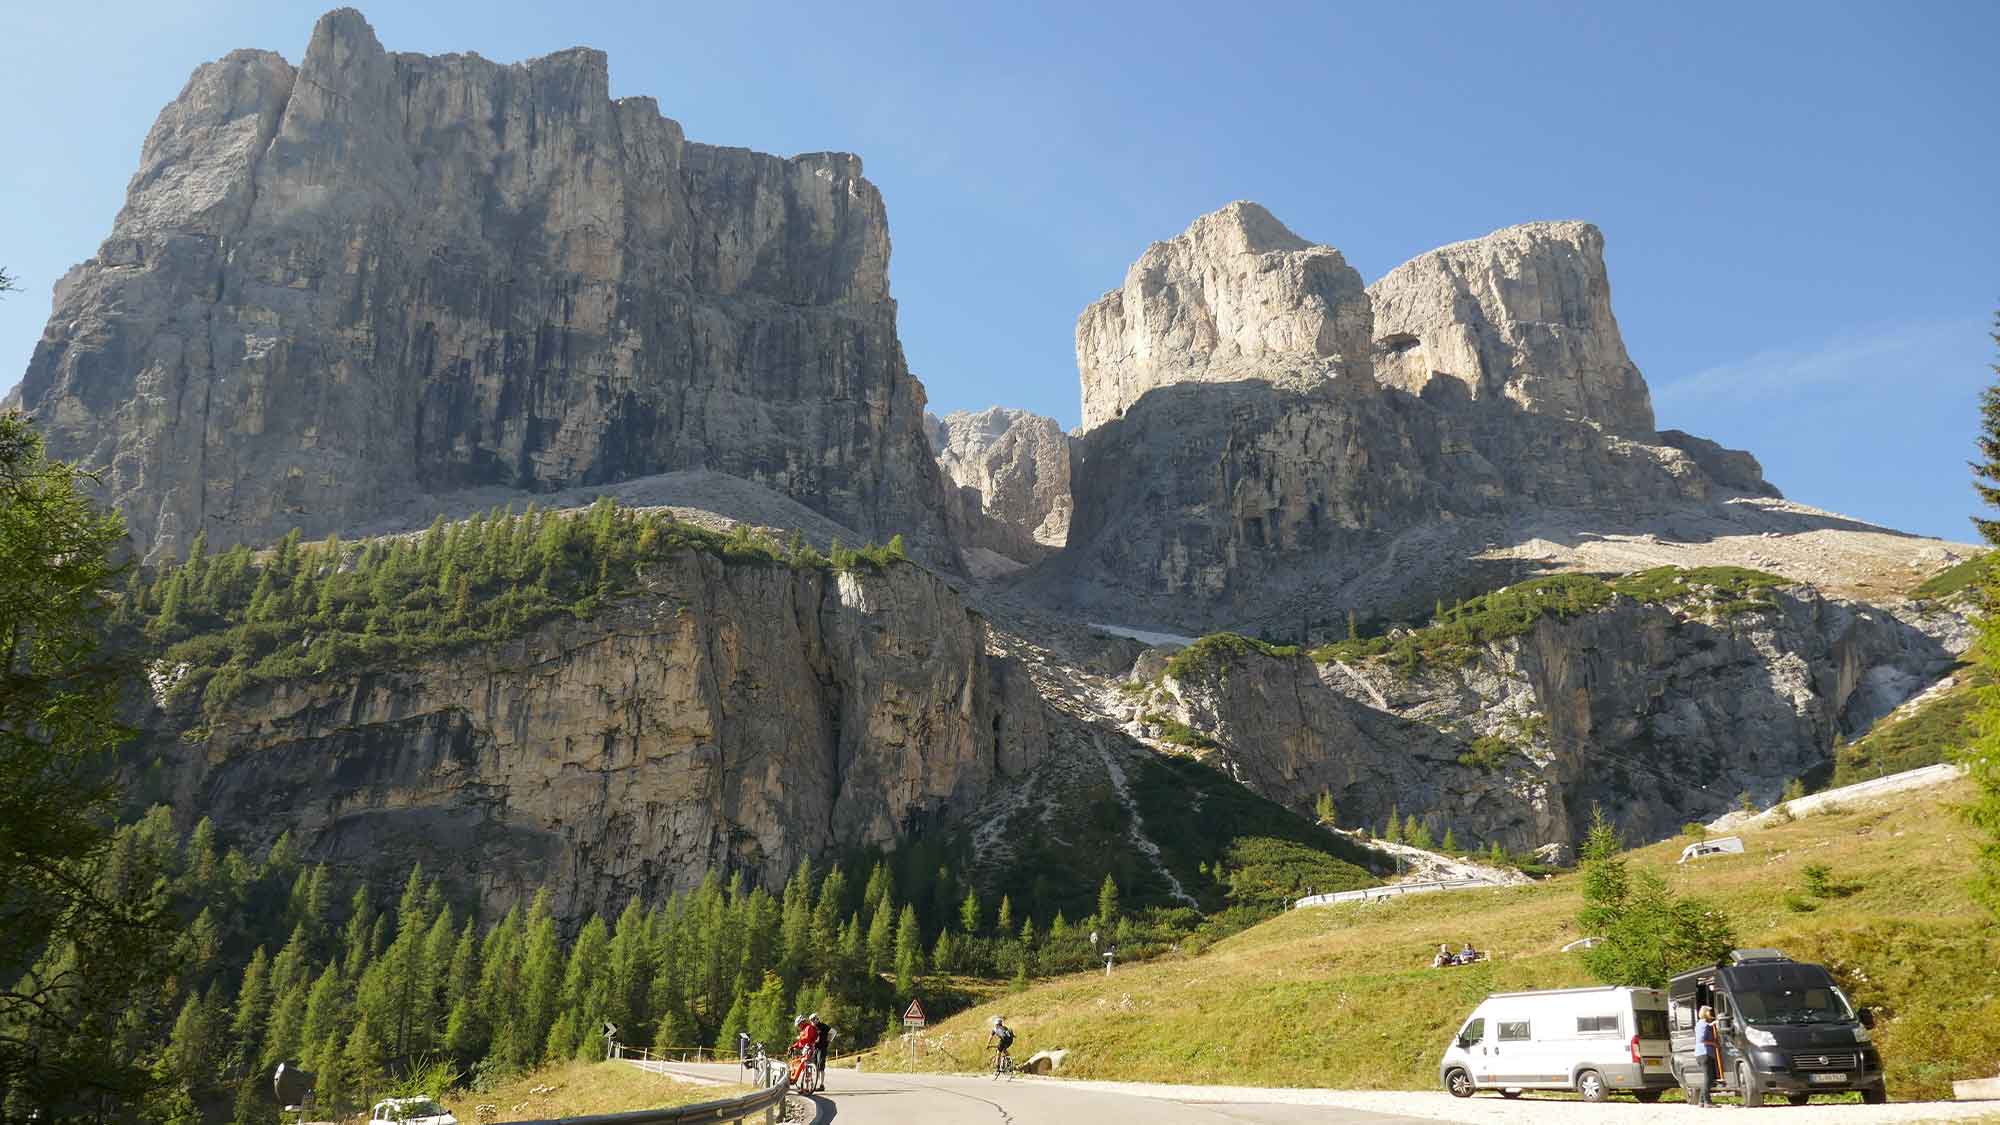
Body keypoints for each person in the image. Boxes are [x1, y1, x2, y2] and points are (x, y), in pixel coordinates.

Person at [1690, 1005, 1718, 1108]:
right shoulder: (1704, 1025)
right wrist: (1713, 1043)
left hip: (1702, 1053)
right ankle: (1707, 1102)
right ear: (1706, 1013)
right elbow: (1702, 1039)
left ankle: (1701, 1101)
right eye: (1710, 1012)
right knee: (1708, 1078)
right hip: (1705, 1053)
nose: (1712, 1014)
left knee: (1708, 1077)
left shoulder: (1701, 1024)